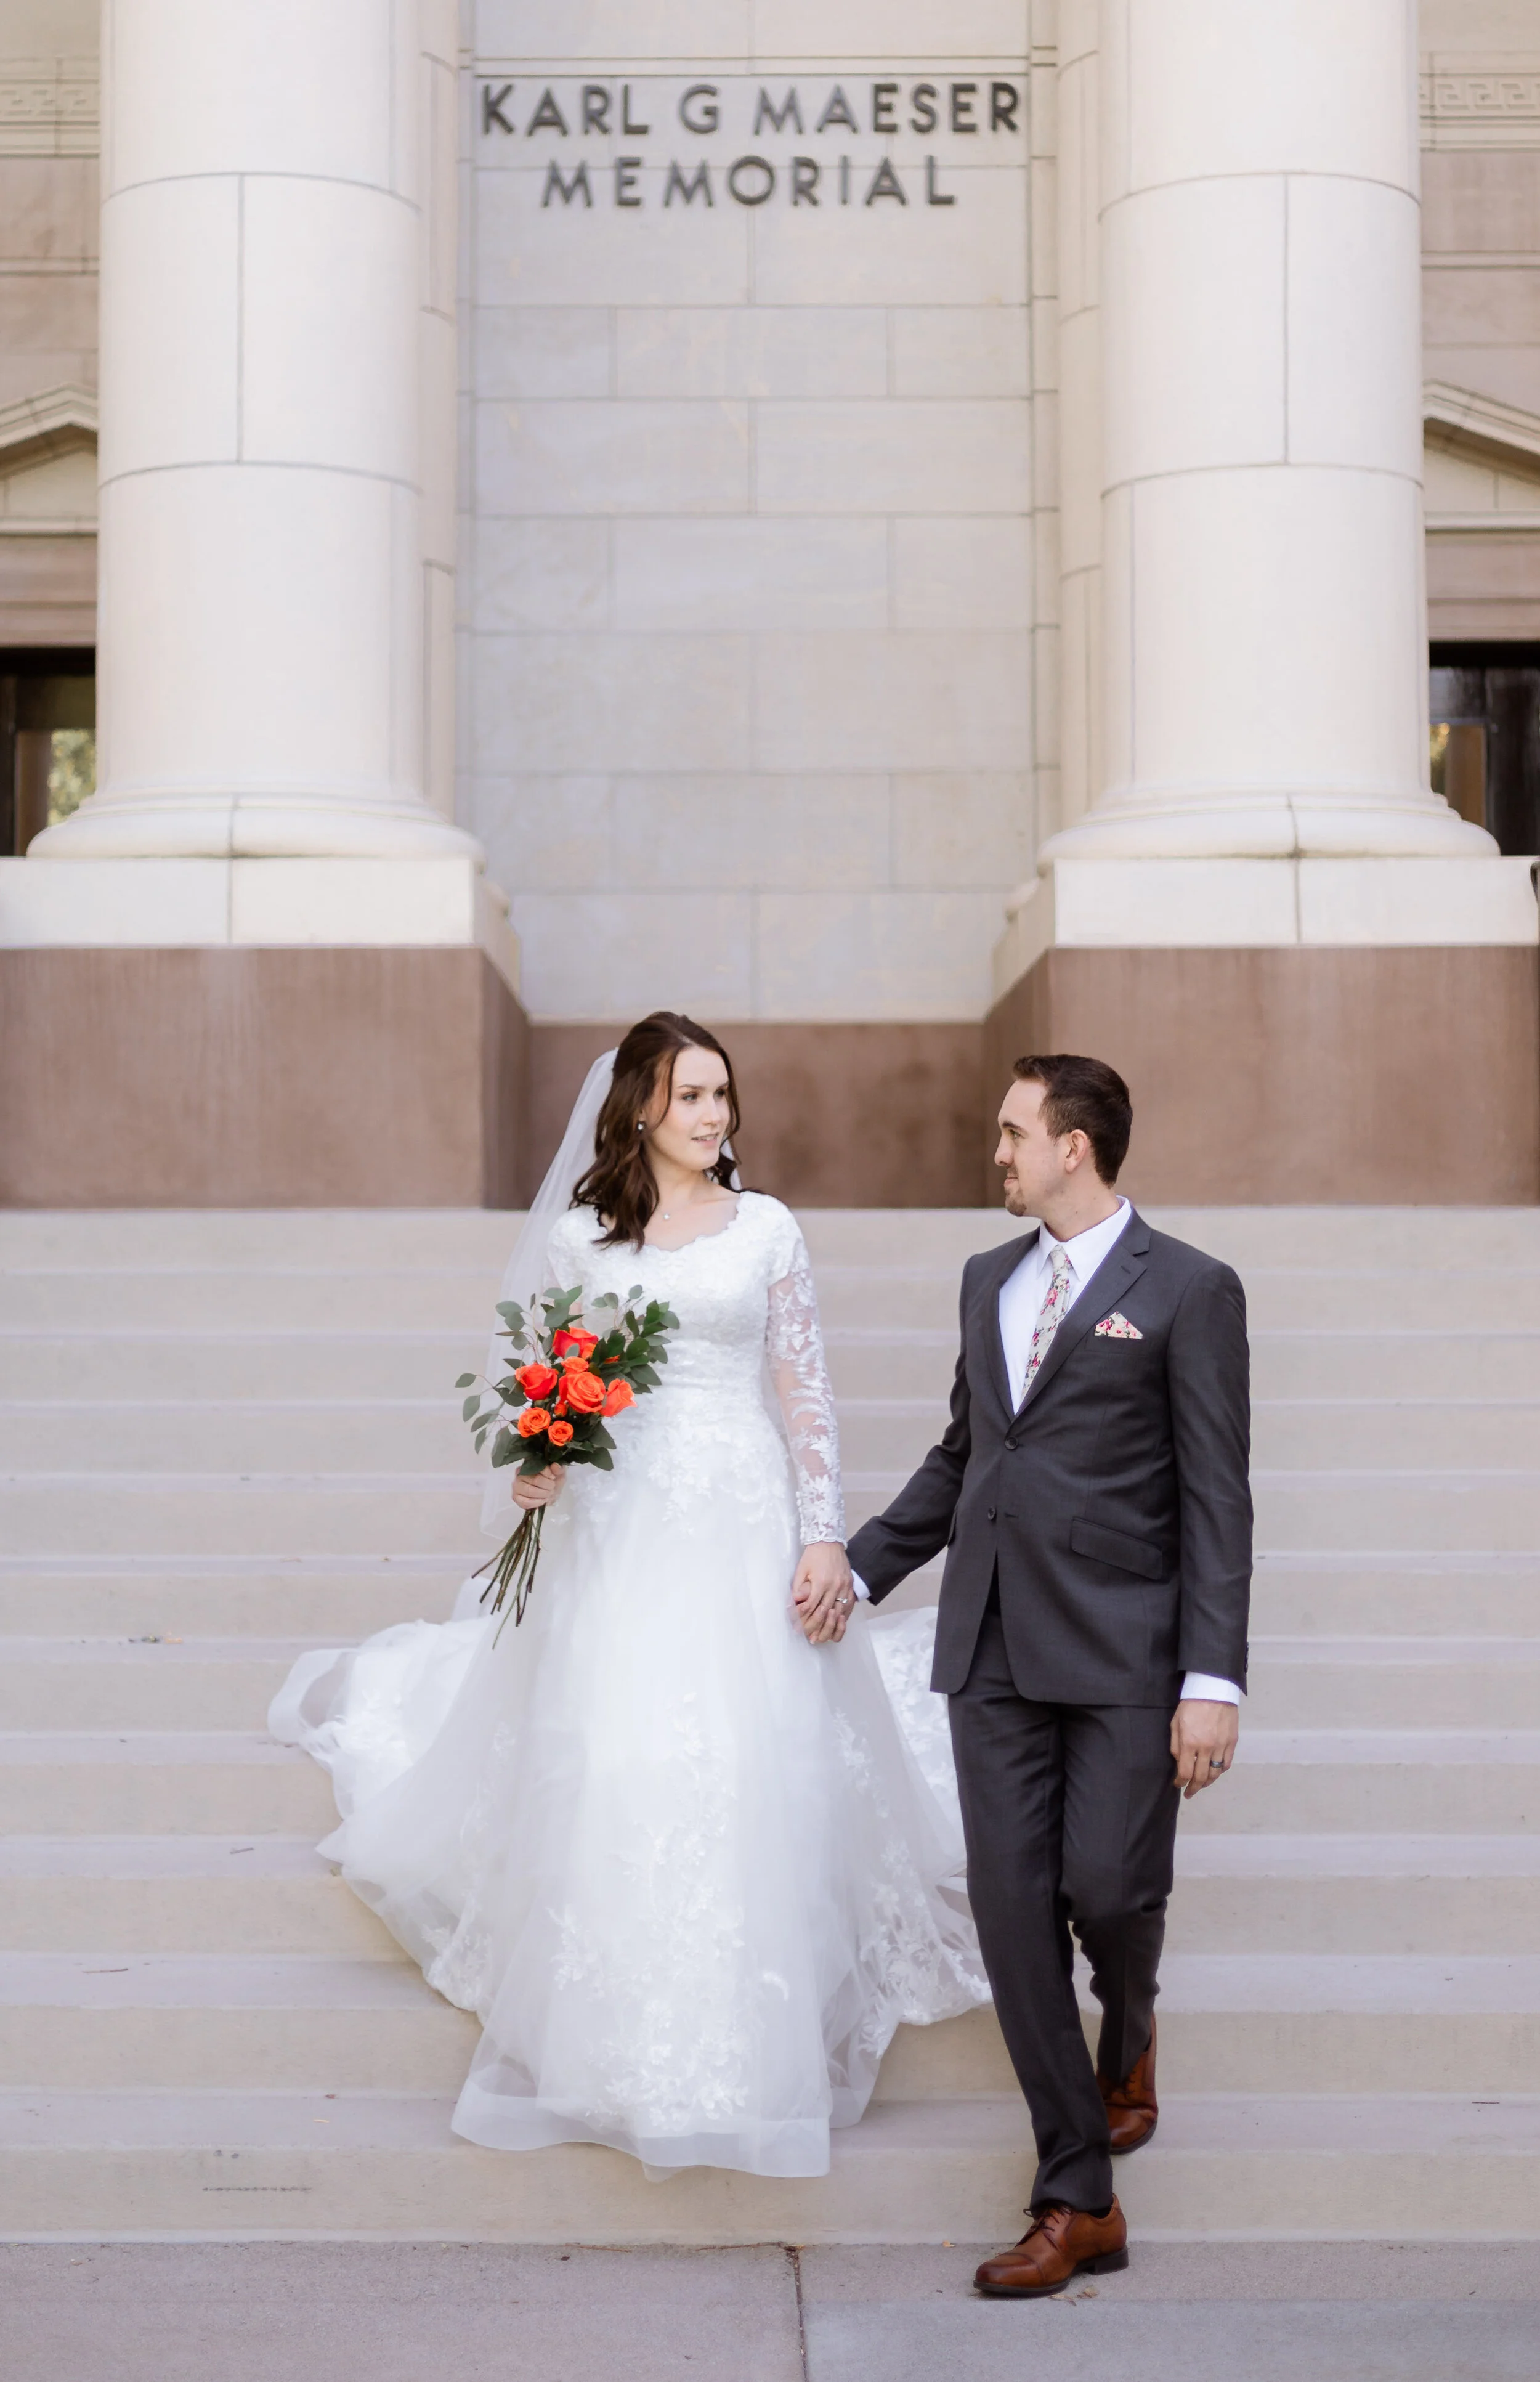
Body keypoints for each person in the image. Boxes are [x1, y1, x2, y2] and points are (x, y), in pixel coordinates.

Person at [271, 1010, 987, 2180]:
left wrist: (824, 1539)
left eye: (723, 1095)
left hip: (743, 1513)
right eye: (693, 1096)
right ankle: (612, 2043)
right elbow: (550, 1384)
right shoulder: (579, 1240)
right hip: (624, 1527)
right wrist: (538, 1454)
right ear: (643, 1108)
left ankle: (753, 2051)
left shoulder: (768, 1228)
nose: (715, 1116)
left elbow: (805, 1393)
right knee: (619, 1753)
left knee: (750, 1756)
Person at [846, 1054, 1252, 2297]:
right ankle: (1077, 2194)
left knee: (1112, 1891)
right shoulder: (987, 1279)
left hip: (1126, 1650)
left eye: (1014, 1132)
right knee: (1016, 1915)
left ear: (1073, 1145)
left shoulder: (1186, 1289)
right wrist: (857, 1570)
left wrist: (1210, 1678)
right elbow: (967, 1453)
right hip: (993, 1650)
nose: (998, 1151)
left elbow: (1215, 1493)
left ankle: (1127, 2032)